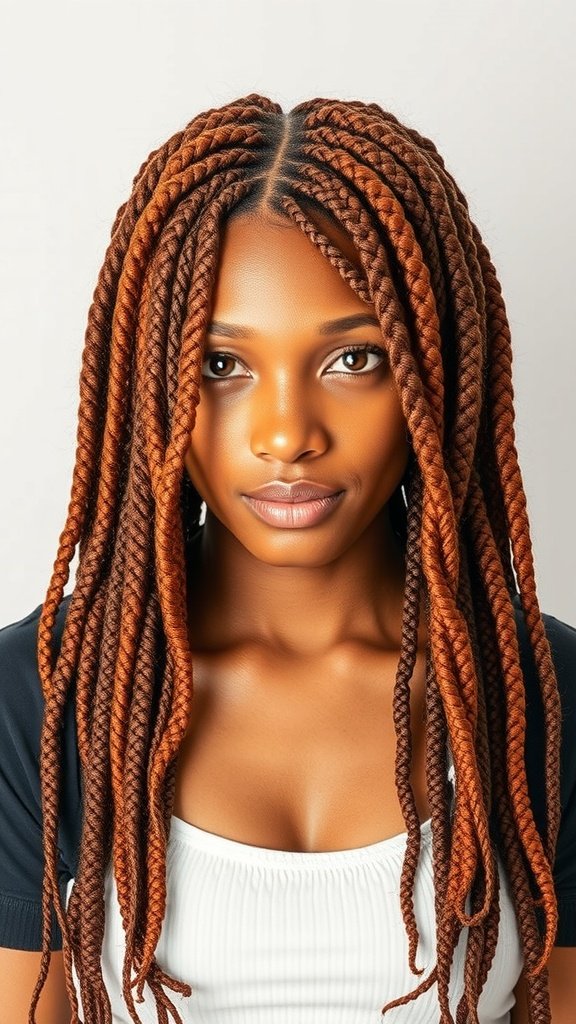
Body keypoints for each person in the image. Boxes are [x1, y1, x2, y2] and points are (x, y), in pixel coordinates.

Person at [0, 93, 575, 1024]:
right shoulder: (45, 695)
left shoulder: (544, 699)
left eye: (354, 359)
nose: (285, 434)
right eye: (223, 366)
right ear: (150, 383)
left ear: (435, 375)